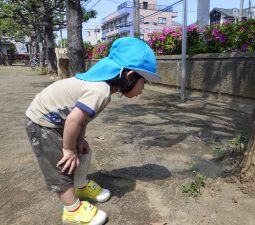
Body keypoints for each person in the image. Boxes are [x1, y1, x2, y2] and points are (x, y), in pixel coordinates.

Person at [25, 37, 161, 225]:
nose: (142, 89)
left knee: (84, 151)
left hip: (60, 120)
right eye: (144, 82)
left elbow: (82, 118)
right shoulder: (100, 91)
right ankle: (71, 210)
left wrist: (79, 140)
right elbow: (73, 119)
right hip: (42, 121)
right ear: (130, 76)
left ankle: (80, 186)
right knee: (62, 164)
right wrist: (68, 149)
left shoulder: (103, 89)